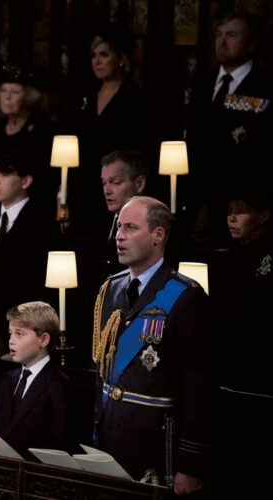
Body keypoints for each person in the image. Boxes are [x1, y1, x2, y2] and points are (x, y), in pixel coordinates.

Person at [92, 196, 211, 494]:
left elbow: (199, 386)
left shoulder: (185, 296)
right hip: (110, 441)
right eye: (119, 227)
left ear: (158, 235)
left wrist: (191, 464)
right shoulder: (110, 288)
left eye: (131, 228)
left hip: (156, 450)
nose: (119, 235)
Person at [187, 11, 272, 248]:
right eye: (219, 35)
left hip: (240, 197)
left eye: (232, 35)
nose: (222, 42)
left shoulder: (264, 84)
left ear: (251, 43)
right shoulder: (204, 82)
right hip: (198, 193)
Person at [0, 150, 60, 357]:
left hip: (21, 333)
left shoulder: (43, 227)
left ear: (26, 181)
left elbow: (42, 286)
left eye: (4, 174)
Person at [214, 186, 271, 496]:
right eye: (229, 212)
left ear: (263, 215)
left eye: (241, 212)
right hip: (229, 366)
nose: (232, 219)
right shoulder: (224, 258)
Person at [71, 24, 151, 237]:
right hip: (84, 184)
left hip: (118, 186)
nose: (96, 61)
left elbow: (140, 147)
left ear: (121, 58)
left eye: (104, 55)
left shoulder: (136, 98)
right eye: (93, 55)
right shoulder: (85, 96)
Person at [0, 301, 72, 458]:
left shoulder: (59, 386)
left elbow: (59, 446)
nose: (11, 340)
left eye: (19, 333)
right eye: (10, 333)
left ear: (43, 340)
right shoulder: (5, 381)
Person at [0, 64, 56, 224]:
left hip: (29, 209)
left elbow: (45, 178)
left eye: (15, 92)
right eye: (3, 91)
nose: (7, 97)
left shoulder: (43, 129)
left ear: (29, 97)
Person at [98, 150, 148, 279]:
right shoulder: (99, 224)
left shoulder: (150, 226)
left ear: (139, 184)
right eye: (104, 183)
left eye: (115, 182)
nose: (107, 191)